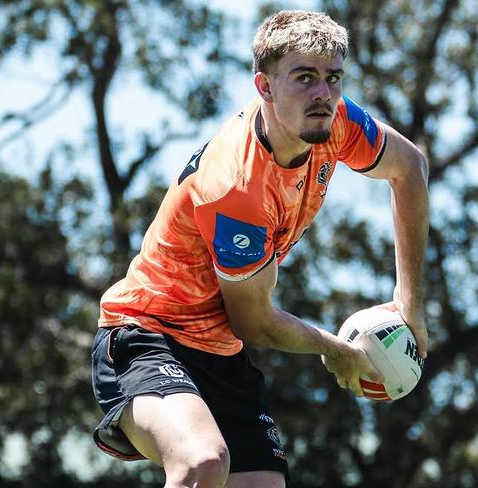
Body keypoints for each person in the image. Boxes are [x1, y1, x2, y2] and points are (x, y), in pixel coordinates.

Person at [90, 9, 429, 488]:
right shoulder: (237, 189)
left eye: (333, 79)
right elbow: (252, 320)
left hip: (220, 353)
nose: (323, 94)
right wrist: (334, 350)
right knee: (202, 463)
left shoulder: (337, 122)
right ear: (264, 86)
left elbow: (409, 168)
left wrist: (411, 305)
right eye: (304, 78)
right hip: (146, 335)